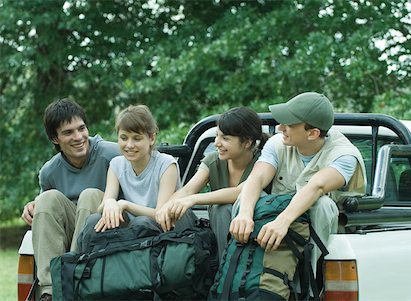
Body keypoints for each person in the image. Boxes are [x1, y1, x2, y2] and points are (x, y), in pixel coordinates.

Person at [229, 92, 366, 269]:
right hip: (276, 227)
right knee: (246, 198)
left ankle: (311, 283)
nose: (280, 128)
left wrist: (282, 222)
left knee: (323, 204)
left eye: (289, 124)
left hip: (316, 233)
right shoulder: (277, 143)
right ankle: (238, 274)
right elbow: (257, 178)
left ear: (313, 133)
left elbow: (316, 186)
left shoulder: (344, 155)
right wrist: (245, 215)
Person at [21, 98, 120, 301]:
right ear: (55, 139)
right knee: (46, 199)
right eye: (68, 132)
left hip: (112, 229)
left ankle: (72, 280)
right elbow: (49, 210)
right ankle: (50, 290)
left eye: (81, 128)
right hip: (76, 230)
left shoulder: (114, 154)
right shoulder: (49, 171)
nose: (78, 137)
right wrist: (33, 206)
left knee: (90, 195)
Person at [78, 104, 196, 252]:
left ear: (151, 138)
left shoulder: (166, 164)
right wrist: (109, 203)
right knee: (95, 221)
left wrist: (125, 205)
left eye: (137, 138)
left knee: (142, 223)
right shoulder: (116, 164)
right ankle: (85, 267)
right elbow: (104, 204)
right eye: (123, 138)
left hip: (164, 231)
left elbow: (160, 214)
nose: (129, 145)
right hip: (132, 232)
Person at [158, 107, 268, 257]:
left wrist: (192, 199)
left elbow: (239, 191)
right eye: (217, 136)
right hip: (216, 236)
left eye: (225, 139)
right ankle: (188, 267)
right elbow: (188, 190)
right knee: (177, 210)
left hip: (251, 233)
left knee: (221, 209)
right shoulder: (213, 160)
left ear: (247, 142)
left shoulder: (263, 162)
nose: (217, 143)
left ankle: (226, 269)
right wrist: (168, 206)